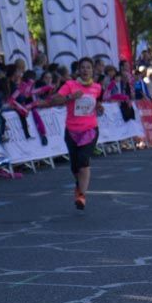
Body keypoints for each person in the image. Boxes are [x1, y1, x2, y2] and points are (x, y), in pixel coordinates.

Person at [46, 57, 103, 210]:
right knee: (75, 167)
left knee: (84, 162)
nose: (85, 70)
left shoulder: (97, 87)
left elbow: (97, 103)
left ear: (92, 71)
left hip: (90, 130)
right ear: (78, 70)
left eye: (88, 68)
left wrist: (99, 107)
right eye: (83, 67)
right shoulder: (70, 85)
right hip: (71, 131)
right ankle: (79, 185)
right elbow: (54, 100)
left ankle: (81, 196)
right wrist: (70, 97)